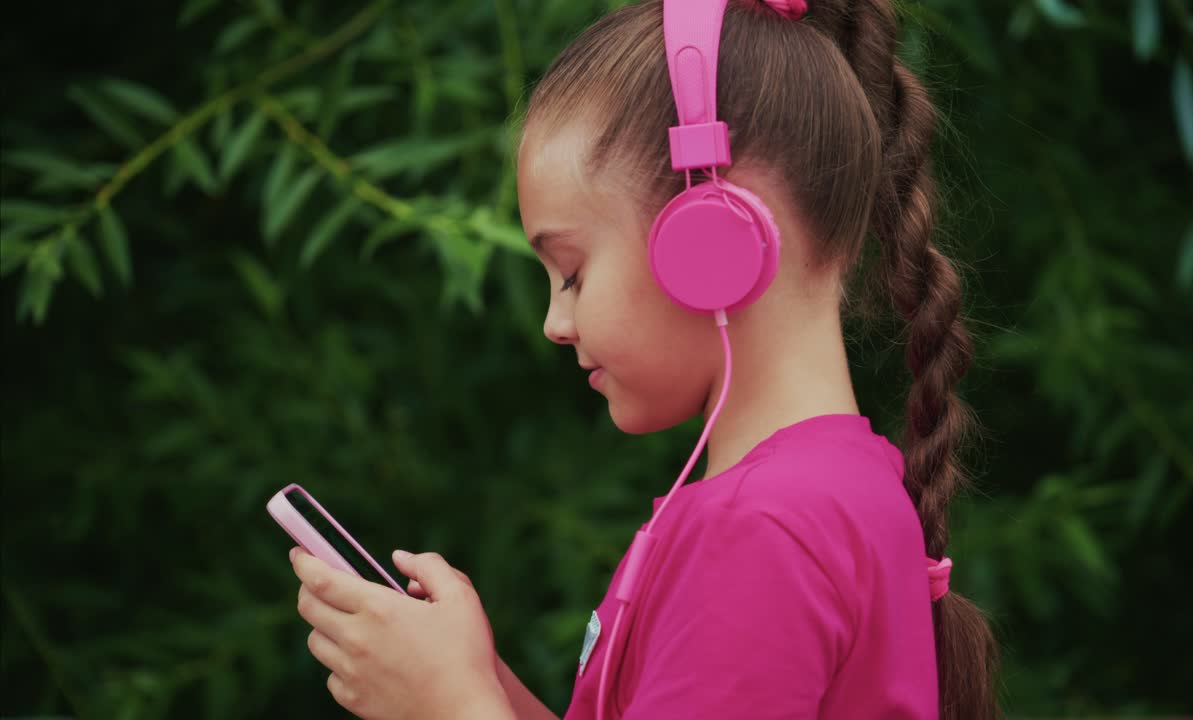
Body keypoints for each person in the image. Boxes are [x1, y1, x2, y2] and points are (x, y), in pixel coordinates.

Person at [287, 1, 1000, 718]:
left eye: (571, 272)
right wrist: (475, 678)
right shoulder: (840, 487)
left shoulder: (761, 533)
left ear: (715, 237)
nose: (554, 324)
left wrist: (450, 705)